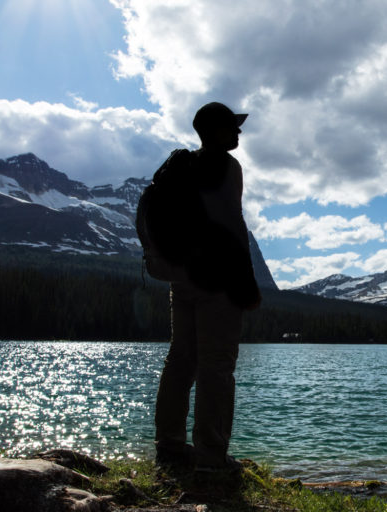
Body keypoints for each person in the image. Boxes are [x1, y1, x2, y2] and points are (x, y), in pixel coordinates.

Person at [153, 101, 261, 472]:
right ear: (215, 130)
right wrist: (247, 286)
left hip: (181, 280)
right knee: (216, 365)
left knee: (181, 360)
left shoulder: (182, 167)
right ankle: (211, 457)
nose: (238, 132)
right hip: (216, 281)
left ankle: (169, 447)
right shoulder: (228, 167)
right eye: (232, 126)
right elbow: (233, 225)